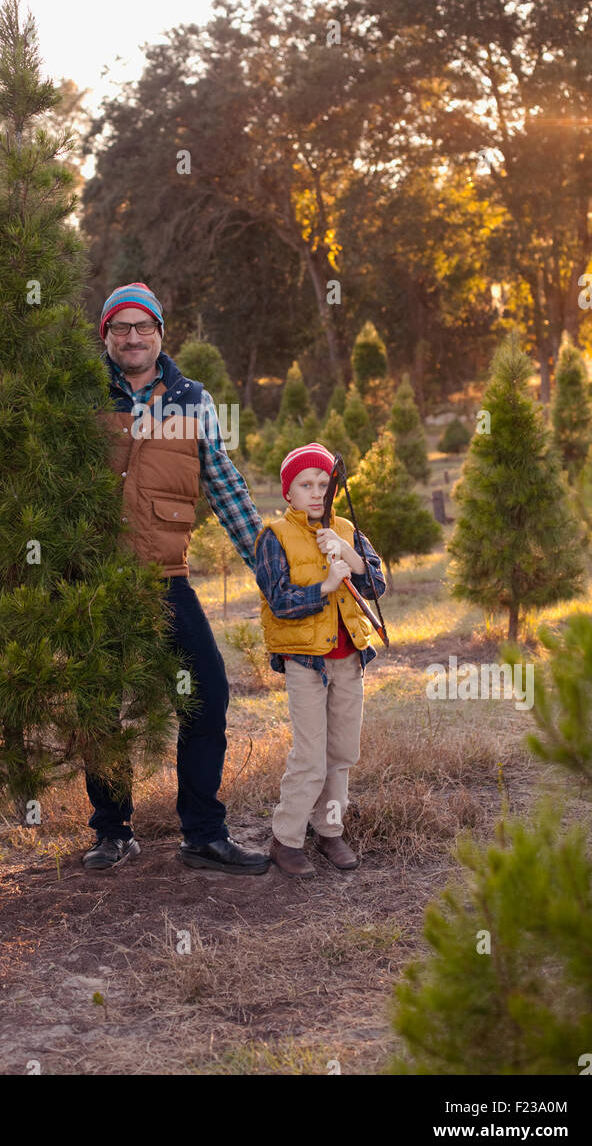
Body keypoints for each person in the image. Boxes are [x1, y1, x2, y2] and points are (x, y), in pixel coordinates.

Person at [83, 281, 269, 875]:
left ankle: (203, 833)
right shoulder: (81, 397)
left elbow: (224, 482)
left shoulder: (192, 400)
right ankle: (113, 832)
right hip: (96, 580)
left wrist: (269, 569)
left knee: (207, 691)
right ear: (106, 336)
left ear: (161, 334)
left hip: (164, 577)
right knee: (97, 703)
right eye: (120, 328)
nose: (132, 338)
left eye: (143, 327)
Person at [254, 442, 386, 878]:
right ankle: (286, 839)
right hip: (306, 663)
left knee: (342, 751)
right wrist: (327, 585)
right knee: (311, 756)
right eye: (304, 484)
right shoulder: (276, 537)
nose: (315, 493)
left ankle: (329, 830)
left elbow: (377, 584)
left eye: (323, 484)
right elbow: (279, 602)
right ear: (288, 493)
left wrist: (347, 555)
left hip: (349, 660)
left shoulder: (346, 528)